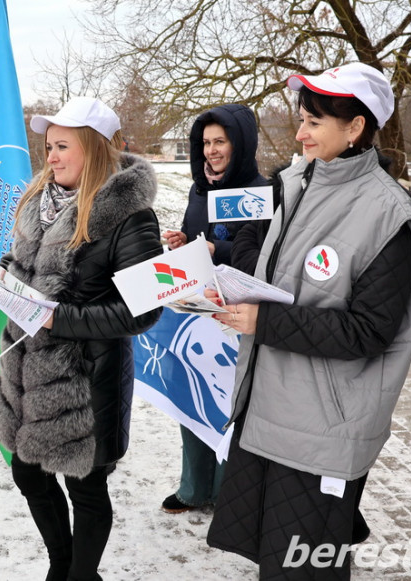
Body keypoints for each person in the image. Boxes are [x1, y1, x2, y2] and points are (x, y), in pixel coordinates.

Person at [205, 62, 411, 579]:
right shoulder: (293, 183)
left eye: (315, 122)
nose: (300, 132)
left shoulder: (388, 215)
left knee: (304, 571)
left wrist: (264, 323)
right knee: (277, 565)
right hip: (268, 414)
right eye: (302, 118)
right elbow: (270, 272)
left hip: (322, 432)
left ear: (355, 128)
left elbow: (369, 332)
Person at [0, 97, 163, 581]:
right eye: (48, 146)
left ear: (97, 150)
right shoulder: (37, 201)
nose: (52, 157)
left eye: (63, 146)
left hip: (84, 386)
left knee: (87, 491)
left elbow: (142, 312)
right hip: (25, 379)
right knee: (26, 473)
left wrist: (58, 321)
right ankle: (62, 563)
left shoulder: (130, 216)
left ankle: (81, 575)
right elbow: (9, 277)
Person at [158, 104, 267, 514]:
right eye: (205, 143)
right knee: (191, 394)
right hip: (194, 307)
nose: (211, 151)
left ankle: (226, 493)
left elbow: (259, 256)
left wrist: (214, 250)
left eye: (220, 141)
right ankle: (193, 487)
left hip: (235, 313)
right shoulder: (198, 188)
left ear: (239, 144)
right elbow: (198, 237)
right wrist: (183, 238)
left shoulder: (260, 190)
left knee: (226, 405)